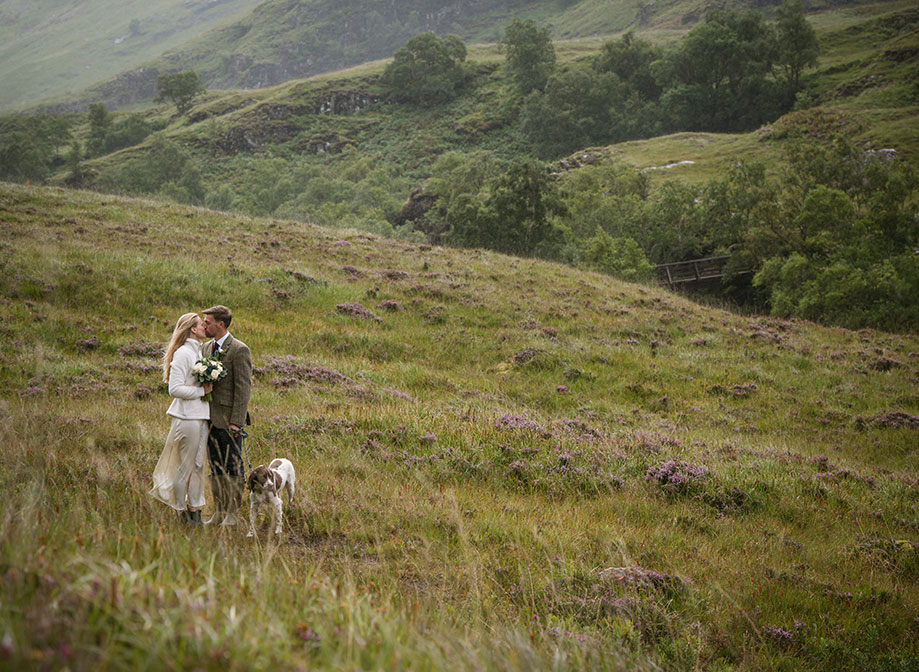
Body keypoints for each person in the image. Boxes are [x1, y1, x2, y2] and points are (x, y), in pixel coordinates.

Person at [149, 312, 212, 524]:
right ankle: (180, 513)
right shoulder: (184, 353)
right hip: (187, 418)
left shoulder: (198, 352)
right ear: (193, 329)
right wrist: (202, 392)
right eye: (200, 324)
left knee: (197, 466)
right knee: (185, 468)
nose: (205, 326)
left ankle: (194, 511)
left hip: (199, 417)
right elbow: (174, 389)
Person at [202, 305, 252, 526]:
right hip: (207, 419)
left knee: (233, 468)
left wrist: (236, 422)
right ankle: (219, 512)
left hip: (229, 421)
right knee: (214, 467)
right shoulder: (205, 348)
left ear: (220, 324)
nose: (204, 325)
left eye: (208, 322)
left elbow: (243, 388)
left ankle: (233, 513)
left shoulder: (239, 350)